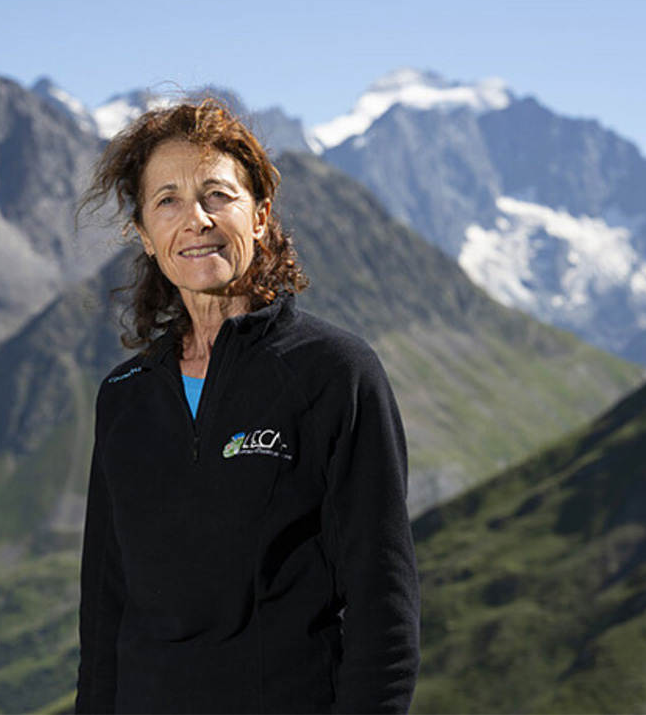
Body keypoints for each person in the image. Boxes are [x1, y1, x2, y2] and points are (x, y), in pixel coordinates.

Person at [76, 98, 419, 714]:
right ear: (146, 236)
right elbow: (105, 615)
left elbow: (384, 612)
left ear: (260, 217)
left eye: (218, 194)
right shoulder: (123, 397)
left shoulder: (334, 373)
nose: (196, 219)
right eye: (168, 201)